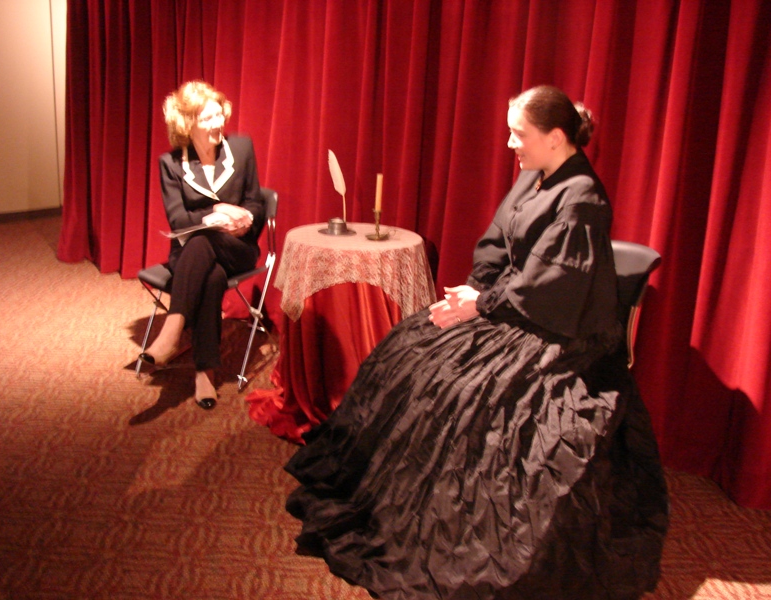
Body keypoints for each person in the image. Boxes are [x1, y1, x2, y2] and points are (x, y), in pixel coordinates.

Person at [284, 85, 668, 599]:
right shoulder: (534, 174)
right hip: (516, 304)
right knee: (412, 346)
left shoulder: (583, 199)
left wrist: (483, 304)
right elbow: (495, 243)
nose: (510, 144)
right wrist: (474, 291)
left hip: (561, 331)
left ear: (555, 137)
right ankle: (378, 489)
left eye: (519, 134)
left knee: (466, 392)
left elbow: (553, 283)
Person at [139, 81, 265, 410]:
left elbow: (256, 202)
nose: (218, 123)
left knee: (203, 238)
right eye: (208, 118)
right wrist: (217, 211)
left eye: (219, 115)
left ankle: (173, 328)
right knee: (210, 275)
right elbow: (178, 221)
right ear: (187, 124)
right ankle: (204, 372)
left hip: (238, 248)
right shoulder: (171, 164)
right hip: (194, 256)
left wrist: (245, 219)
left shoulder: (241, 148)